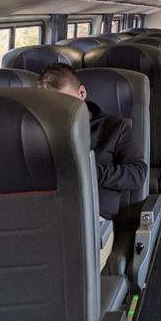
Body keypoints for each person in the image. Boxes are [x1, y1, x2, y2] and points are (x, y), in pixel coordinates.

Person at [37, 63, 147, 220]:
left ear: (82, 93)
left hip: (96, 219)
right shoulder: (37, 133)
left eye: (65, 102)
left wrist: (88, 172)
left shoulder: (114, 128)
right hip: (48, 216)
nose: (59, 111)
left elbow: (137, 174)